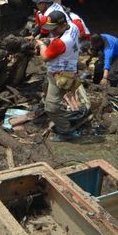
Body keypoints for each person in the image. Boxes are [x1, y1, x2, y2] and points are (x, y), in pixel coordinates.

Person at [37, 11, 84, 142]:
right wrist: (50, 40)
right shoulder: (73, 27)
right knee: (46, 91)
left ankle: (66, 131)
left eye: (55, 29)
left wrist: (41, 44)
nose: (53, 31)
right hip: (69, 69)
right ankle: (60, 118)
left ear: (63, 24)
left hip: (60, 75)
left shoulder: (61, 43)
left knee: (51, 108)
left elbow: (45, 57)